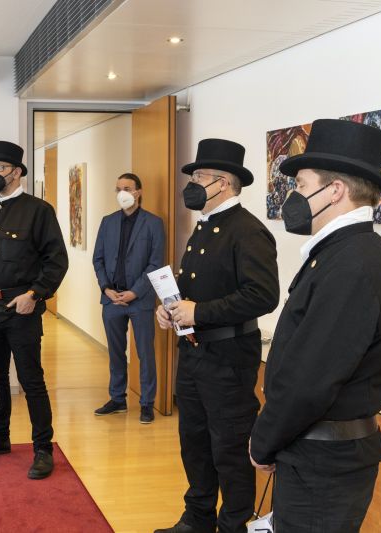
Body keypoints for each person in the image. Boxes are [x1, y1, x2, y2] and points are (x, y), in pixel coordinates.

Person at [249, 119, 381, 531]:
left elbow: (310, 377)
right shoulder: (342, 254)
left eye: (301, 185)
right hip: (313, 454)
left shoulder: (352, 264)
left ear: (335, 191)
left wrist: (264, 441)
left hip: (324, 464)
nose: (293, 196)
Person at [154, 139, 280, 533]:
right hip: (194, 352)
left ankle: (233, 524)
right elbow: (194, 287)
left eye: (198, 177)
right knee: (193, 441)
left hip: (229, 358)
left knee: (228, 447)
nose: (191, 184)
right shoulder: (203, 227)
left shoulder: (248, 231)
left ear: (223, 183)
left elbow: (263, 295)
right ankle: (198, 517)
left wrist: (200, 312)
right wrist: (170, 310)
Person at [0, 140, 68, 480]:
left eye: (0, 168)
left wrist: (34, 294)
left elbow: (56, 261)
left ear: (17, 172)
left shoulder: (39, 211)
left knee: (31, 380)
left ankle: (43, 448)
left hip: (22, 311)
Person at [92, 173, 164, 423]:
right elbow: (98, 259)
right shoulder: (108, 222)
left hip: (140, 299)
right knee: (115, 352)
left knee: (145, 353)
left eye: (127, 188)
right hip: (112, 298)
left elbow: (156, 263)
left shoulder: (153, 223)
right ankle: (117, 399)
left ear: (138, 192)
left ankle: (147, 403)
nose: (122, 193)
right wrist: (105, 288)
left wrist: (135, 291)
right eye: (118, 188)